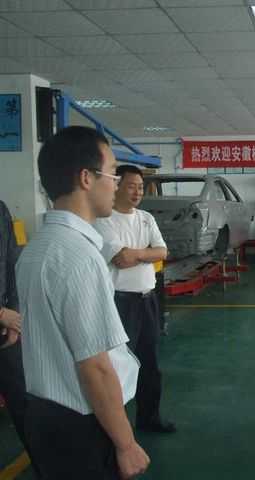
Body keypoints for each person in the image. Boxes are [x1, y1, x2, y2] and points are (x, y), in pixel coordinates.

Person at [16, 126, 149, 479]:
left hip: (45, 416)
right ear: (87, 178)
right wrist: (126, 444)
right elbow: (96, 367)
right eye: (113, 173)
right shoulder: (78, 255)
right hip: (83, 426)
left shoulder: (37, 247)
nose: (117, 185)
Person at [94, 164, 175, 434]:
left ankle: (149, 418)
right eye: (131, 186)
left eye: (141, 187)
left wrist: (137, 254)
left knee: (149, 364)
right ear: (116, 186)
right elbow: (121, 258)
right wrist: (146, 253)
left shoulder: (146, 218)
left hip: (148, 301)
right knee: (117, 366)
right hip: (120, 303)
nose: (138, 192)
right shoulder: (104, 220)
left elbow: (162, 252)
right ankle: (115, 428)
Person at [0, 200, 32, 459]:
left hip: (6, 331)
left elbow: (13, 263)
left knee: (24, 403)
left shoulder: (0, 209)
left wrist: (14, 313)